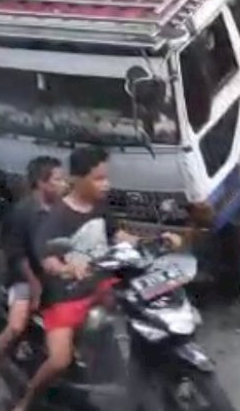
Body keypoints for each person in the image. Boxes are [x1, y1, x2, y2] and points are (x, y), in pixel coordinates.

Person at [11, 146, 179, 411]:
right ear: (77, 179)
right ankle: (27, 400)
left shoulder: (99, 208)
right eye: (99, 178)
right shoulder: (57, 217)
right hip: (65, 295)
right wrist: (67, 268)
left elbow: (119, 236)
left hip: (101, 284)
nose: (106, 184)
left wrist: (155, 239)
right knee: (59, 359)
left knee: (145, 308)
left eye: (106, 177)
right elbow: (47, 257)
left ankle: (136, 373)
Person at [0, 156, 67, 404]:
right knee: (15, 327)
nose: (63, 184)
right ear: (41, 183)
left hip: (55, 274)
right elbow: (16, 256)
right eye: (57, 179)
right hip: (24, 279)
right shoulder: (22, 214)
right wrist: (35, 286)